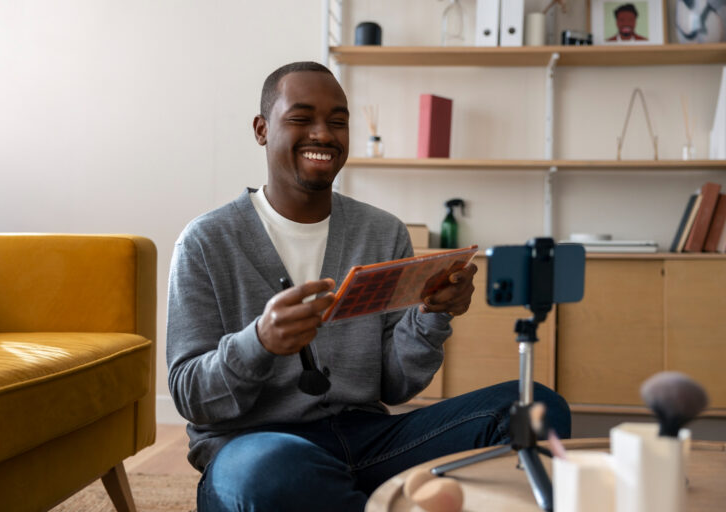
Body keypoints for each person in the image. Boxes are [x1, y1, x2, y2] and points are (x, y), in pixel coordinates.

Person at [167, 61, 571, 512]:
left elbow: (396, 386)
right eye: (301, 118)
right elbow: (190, 396)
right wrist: (258, 343)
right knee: (272, 473)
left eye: (338, 122)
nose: (323, 134)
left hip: (369, 441)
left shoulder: (382, 233)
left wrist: (431, 316)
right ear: (262, 129)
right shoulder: (206, 241)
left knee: (533, 406)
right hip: (255, 447)